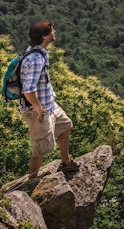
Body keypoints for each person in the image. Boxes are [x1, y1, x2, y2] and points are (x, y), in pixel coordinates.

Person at [19, 20, 79, 178]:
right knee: (40, 148)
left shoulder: (36, 51)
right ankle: (32, 182)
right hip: (38, 109)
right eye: (52, 30)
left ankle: (66, 162)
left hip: (49, 104)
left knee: (65, 125)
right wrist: (38, 108)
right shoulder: (36, 59)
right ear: (45, 36)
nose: (55, 31)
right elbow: (28, 89)